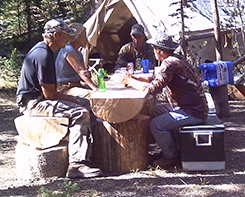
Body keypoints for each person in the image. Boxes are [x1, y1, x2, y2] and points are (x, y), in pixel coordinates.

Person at [16, 19, 102, 178]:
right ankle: (76, 164)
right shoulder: (43, 55)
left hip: (39, 99)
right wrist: (74, 101)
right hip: (33, 103)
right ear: (56, 35)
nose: (68, 40)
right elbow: (50, 94)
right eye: (65, 36)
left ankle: (93, 153)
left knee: (85, 104)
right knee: (80, 112)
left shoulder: (46, 51)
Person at [121, 32, 208, 169]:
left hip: (193, 112)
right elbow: (154, 78)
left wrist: (130, 81)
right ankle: (168, 148)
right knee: (154, 111)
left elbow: (152, 89)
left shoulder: (169, 64)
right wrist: (134, 79)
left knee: (157, 124)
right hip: (188, 107)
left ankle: (171, 157)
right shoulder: (174, 60)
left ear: (158, 50)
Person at [55, 22, 97, 98]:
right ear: (78, 37)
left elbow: (84, 74)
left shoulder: (78, 53)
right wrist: (95, 89)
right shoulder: (68, 49)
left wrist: (88, 74)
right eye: (85, 36)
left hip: (76, 85)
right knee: (92, 95)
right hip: (65, 88)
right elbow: (80, 72)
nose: (87, 39)